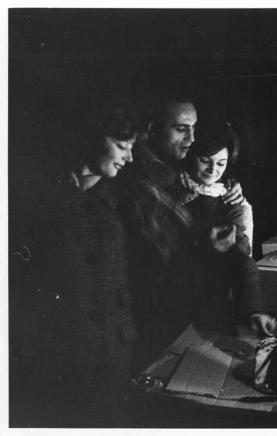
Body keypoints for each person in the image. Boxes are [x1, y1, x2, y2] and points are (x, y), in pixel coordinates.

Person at [118, 94, 247, 368]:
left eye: (193, 128)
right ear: (152, 129)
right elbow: (154, 253)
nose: (190, 138)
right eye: (180, 129)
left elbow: (206, 175)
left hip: (185, 310)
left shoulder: (174, 165)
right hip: (153, 314)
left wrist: (229, 184)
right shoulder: (136, 174)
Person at [46, 95, 141, 426]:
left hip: (113, 352)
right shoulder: (47, 199)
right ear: (93, 139)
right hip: (69, 355)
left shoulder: (115, 199)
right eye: (121, 145)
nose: (129, 157)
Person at [179, 123, 275, 334]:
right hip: (169, 299)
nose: (213, 171)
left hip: (210, 302)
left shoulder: (230, 200)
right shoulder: (171, 185)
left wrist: (254, 310)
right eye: (205, 160)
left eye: (221, 163)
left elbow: (242, 259)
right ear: (190, 154)